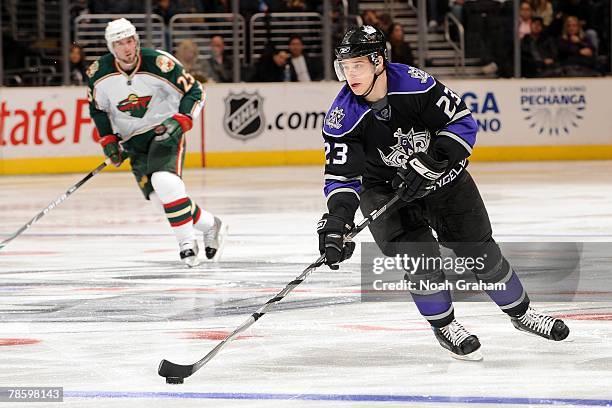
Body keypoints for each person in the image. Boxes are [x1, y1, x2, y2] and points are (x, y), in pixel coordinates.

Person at [317, 26, 570, 360]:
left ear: (378, 62)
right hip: (385, 191)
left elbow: (462, 122)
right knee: (421, 259)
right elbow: (342, 177)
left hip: (445, 180)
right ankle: (445, 326)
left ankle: (522, 314)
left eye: (358, 66)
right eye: (345, 68)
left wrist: (434, 160)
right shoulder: (343, 117)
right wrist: (337, 222)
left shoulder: (415, 84)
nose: (351, 75)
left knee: (482, 254)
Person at [87, 18, 226, 267]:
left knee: (165, 182)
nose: (127, 48)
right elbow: (98, 109)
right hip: (132, 141)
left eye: (130, 41)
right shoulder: (99, 74)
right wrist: (108, 139)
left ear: (136, 41)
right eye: (120, 44)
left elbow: (195, 91)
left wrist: (181, 120)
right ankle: (211, 224)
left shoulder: (159, 63)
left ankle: (186, 245)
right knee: (159, 198)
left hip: (164, 132)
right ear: (111, 47)